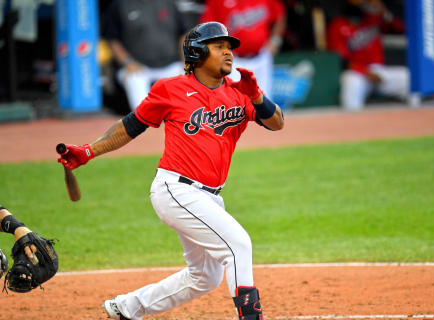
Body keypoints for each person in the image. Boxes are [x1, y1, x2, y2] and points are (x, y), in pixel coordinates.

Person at [57, 22, 284, 320]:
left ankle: (127, 308)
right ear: (198, 52)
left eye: (230, 47)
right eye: (219, 47)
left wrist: (256, 96)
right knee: (238, 245)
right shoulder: (170, 89)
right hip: (175, 190)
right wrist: (89, 151)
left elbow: (277, 123)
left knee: (204, 277)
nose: (229, 52)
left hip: (210, 198)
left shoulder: (240, 93)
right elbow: (129, 127)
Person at [102, 0, 190, 111]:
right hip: (138, 67)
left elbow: (184, 34)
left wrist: (186, 61)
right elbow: (112, 39)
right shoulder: (120, 5)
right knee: (135, 81)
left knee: (190, 87)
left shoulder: (169, 3)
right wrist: (127, 62)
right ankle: (145, 122)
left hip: (170, 65)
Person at [327, 0, 409, 110]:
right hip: (357, 73)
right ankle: (354, 123)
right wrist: (365, 72)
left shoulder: (374, 18)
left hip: (380, 72)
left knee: (410, 78)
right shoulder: (337, 25)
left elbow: (402, 29)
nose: (363, 3)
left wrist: (384, 12)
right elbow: (341, 60)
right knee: (351, 85)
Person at [199, 0, 287, 97]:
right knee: (235, 103)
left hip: (262, 57)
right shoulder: (217, 1)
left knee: (265, 103)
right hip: (234, 60)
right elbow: (207, 28)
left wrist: (275, 40)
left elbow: (279, 14)